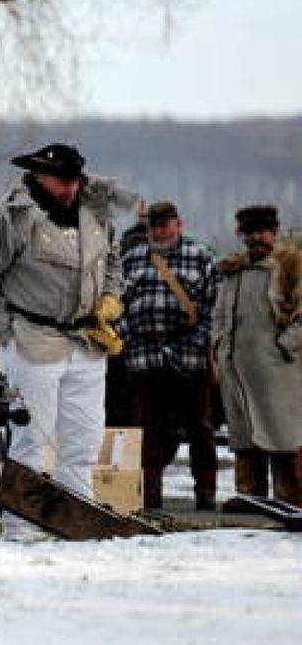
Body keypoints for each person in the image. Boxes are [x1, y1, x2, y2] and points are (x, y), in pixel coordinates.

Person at [0, 143, 137, 537]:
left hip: (87, 338)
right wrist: (7, 335)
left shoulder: (95, 213)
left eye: (72, 180)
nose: (66, 189)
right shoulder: (11, 216)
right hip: (32, 337)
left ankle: (78, 523)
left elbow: (111, 262)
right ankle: (22, 528)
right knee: (31, 441)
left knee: (84, 440)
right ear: (38, 177)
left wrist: (110, 299)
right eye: (59, 181)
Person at [117, 201, 219, 510]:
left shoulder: (201, 258)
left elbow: (214, 307)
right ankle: (149, 496)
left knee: (200, 428)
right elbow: (117, 303)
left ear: (179, 224)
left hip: (189, 354)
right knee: (147, 430)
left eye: (165, 224)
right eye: (154, 226)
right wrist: (127, 337)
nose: (159, 231)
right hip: (144, 354)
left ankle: (206, 494)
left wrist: (200, 340)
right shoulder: (131, 259)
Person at [212, 205, 302, 506]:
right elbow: (220, 316)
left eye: (262, 231)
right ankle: (249, 515)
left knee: (284, 444)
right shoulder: (233, 272)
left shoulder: (292, 266)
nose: (256, 239)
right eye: (250, 233)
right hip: (237, 375)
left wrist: (283, 347)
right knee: (246, 446)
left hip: (280, 377)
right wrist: (219, 349)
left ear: (274, 232)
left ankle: (291, 513)